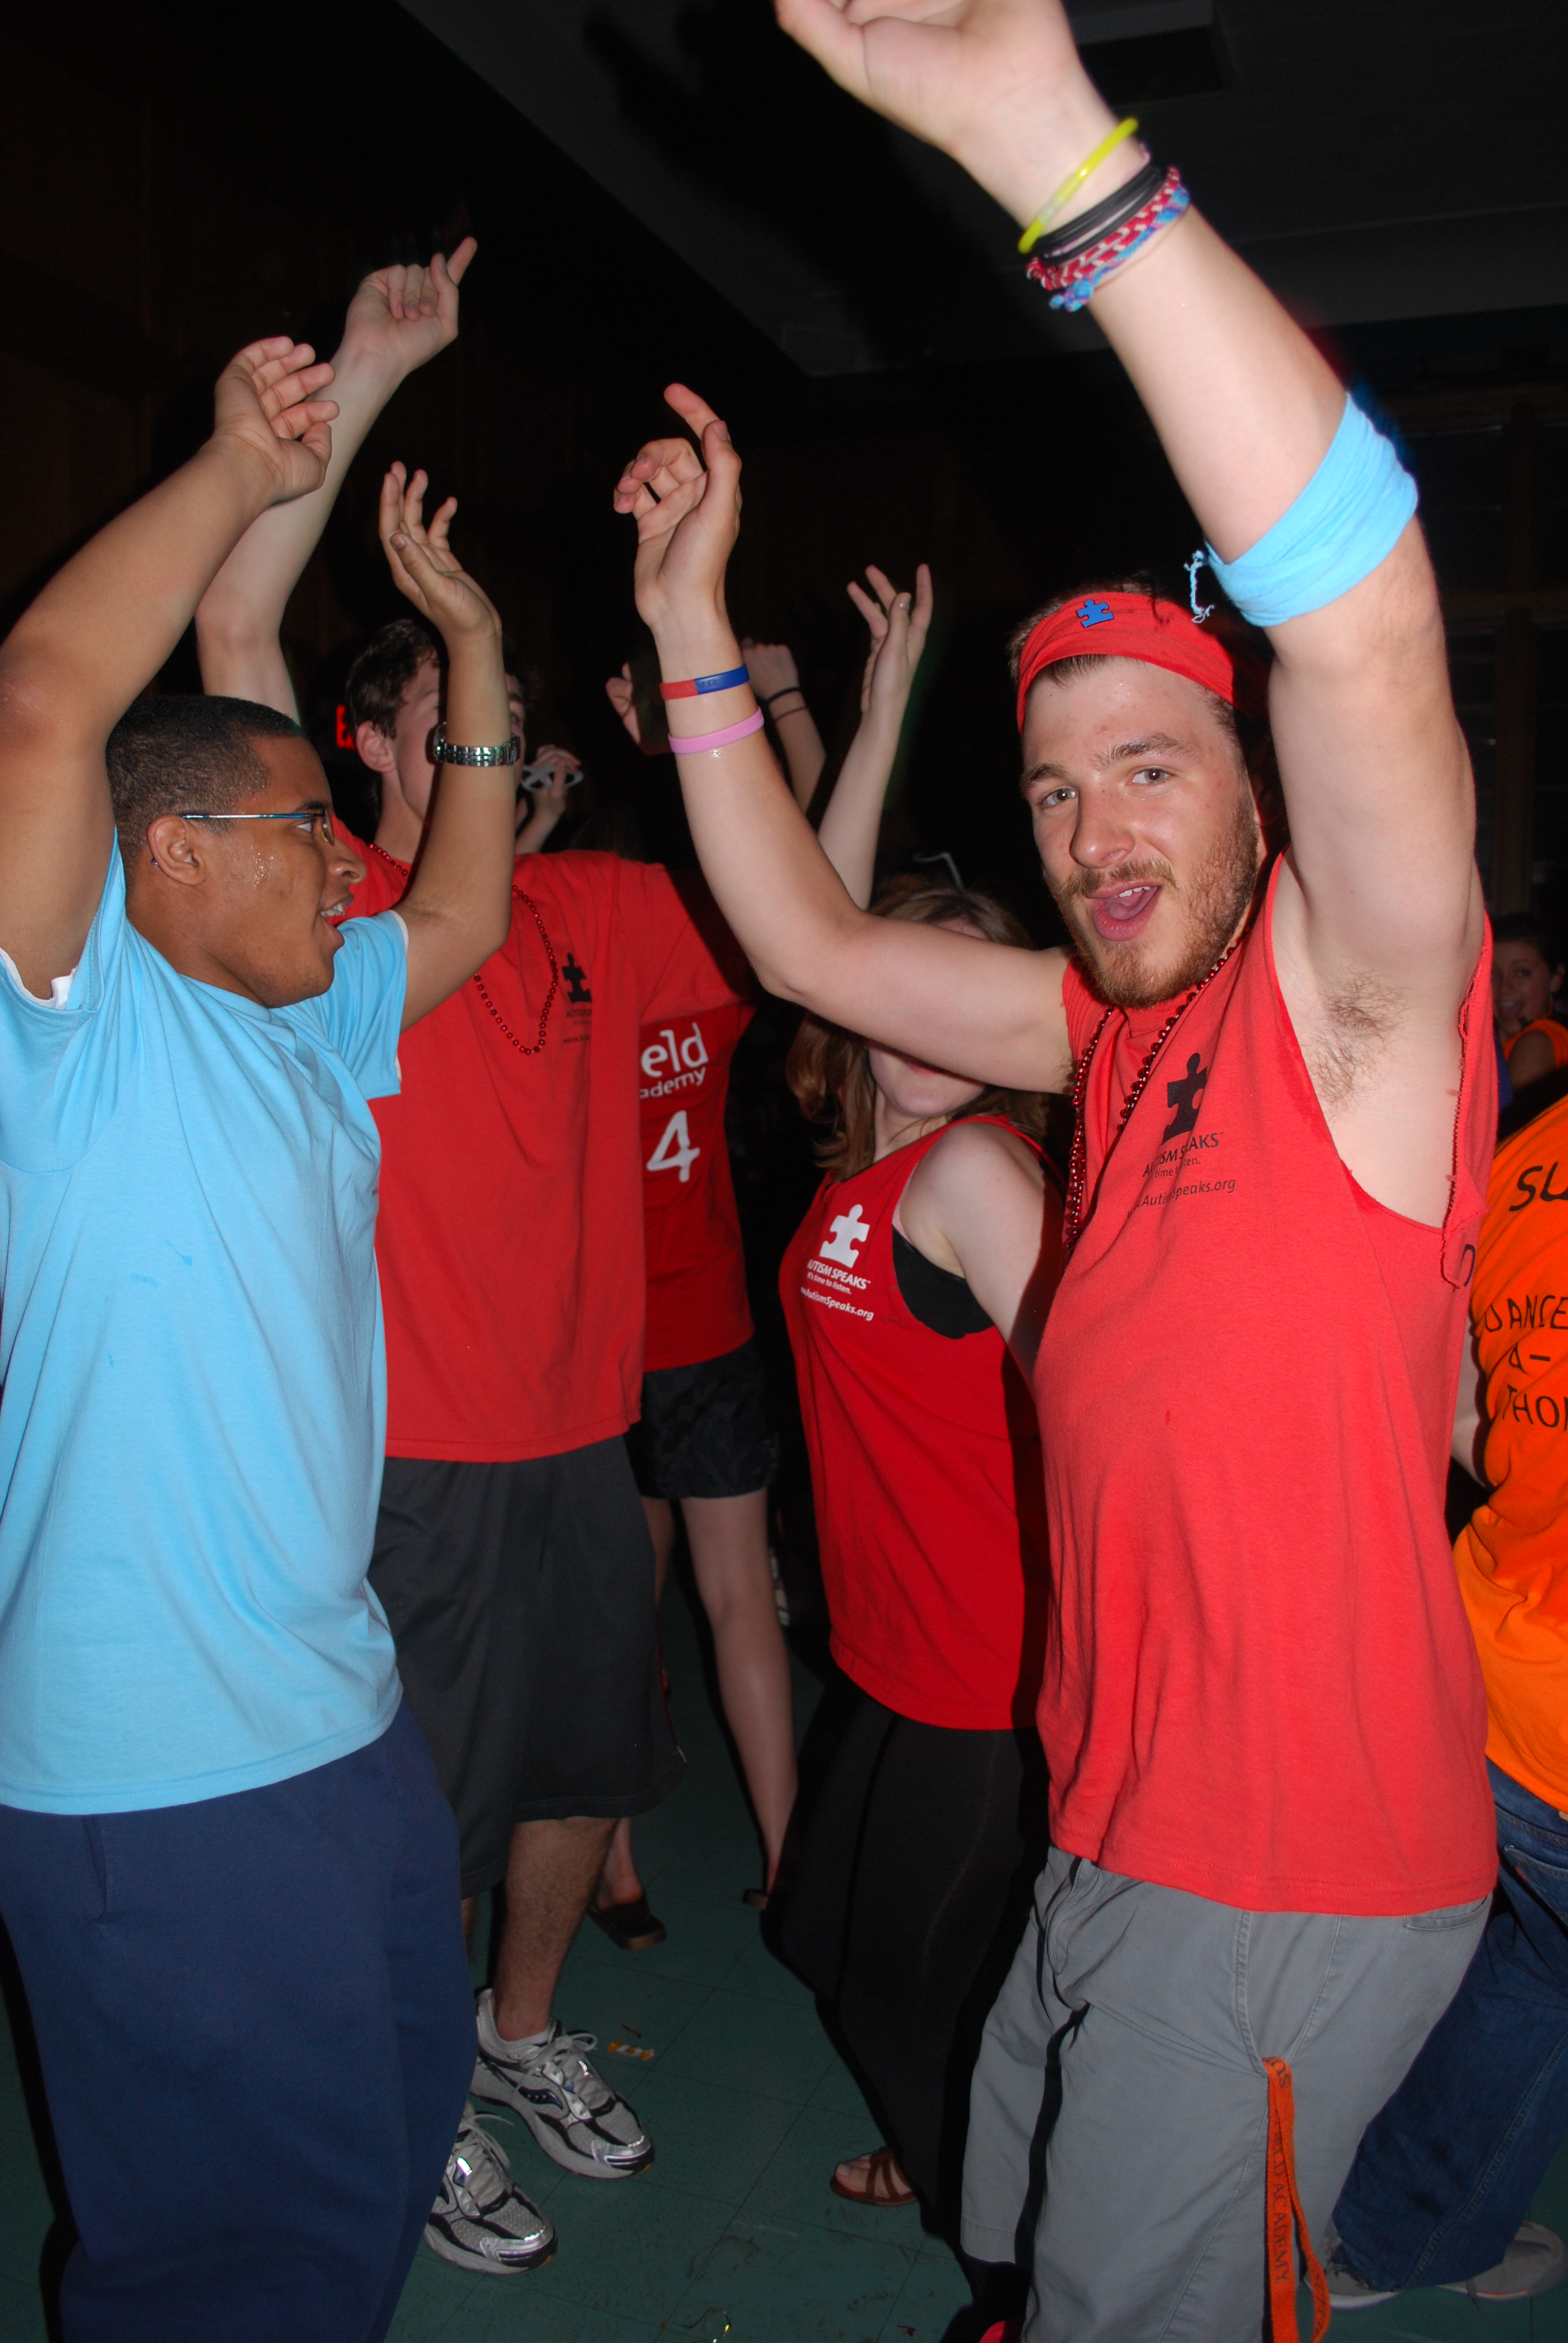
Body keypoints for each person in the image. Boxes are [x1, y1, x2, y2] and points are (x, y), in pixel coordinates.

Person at [610, 0, 1501, 2329]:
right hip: (1104, 1824)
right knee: (1015, 2240)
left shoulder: (1358, 1011)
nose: (1093, 827)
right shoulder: (1103, 1037)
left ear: (1260, 798)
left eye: (1150, 767)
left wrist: (1046, 147)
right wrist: (691, 625)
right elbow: (807, 945)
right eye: (1053, 785)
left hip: (1287, 1880)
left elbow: (1368, 620)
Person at [197, 257, 751, 2284]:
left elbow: (788, 923)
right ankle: (420, 2087)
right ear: (364, 748)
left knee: (576, 1779)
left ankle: (520, 2034)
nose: (499, 753)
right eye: (453, 719)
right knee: (422, 1813)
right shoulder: (330, 908)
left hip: (582, 1444)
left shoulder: (585, 907)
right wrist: (365, 374)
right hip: (406, 1460)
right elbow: (233, 622)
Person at [0, 332, 520, 2339]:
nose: (341, 862)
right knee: (231, 2265)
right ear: (173, 857)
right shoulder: (69, 1032)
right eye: (305, 827)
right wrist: (239, 457)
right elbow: (49, 696)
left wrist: (474, 654)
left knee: (379, 2143)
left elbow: (465, 913)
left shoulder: (306, 1022)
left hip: (333, 1718)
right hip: (156, 1773)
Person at [594, 566, 936, 1938]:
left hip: (642, 1338)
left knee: (653, 1605)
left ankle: (641, 1861)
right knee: (705, 1597)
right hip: (659, 1337)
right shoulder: (668, 929)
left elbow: (807, 893)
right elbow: (806, 885)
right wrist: (799, 712)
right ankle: (752, 1861)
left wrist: (803, 712)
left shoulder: (594, 932)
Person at [779, 868, 1059, 2230]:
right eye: (912, 988)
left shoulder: (972, 1169)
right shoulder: (867, 1168)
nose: (937, 1026)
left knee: (886, 1989)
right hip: (897, 1641)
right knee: (820, 1928)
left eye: (970, 1000)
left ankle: (1012, 2256)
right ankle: (954, 2132)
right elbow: (796, 916)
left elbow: (1107, 1405)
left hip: (985, 1664)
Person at [1321, 1062, 1568, 2310]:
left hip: (1491, 1675)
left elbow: (1466, 1417)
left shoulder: (1531, 1153)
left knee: (1532, 1966)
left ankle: (1395, 2235)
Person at [1492, 912, 1568, 1093]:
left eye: (1522, 973)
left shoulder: (1536, 1044)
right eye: (1493, 975)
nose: (1505, 987)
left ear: (1555, 980)